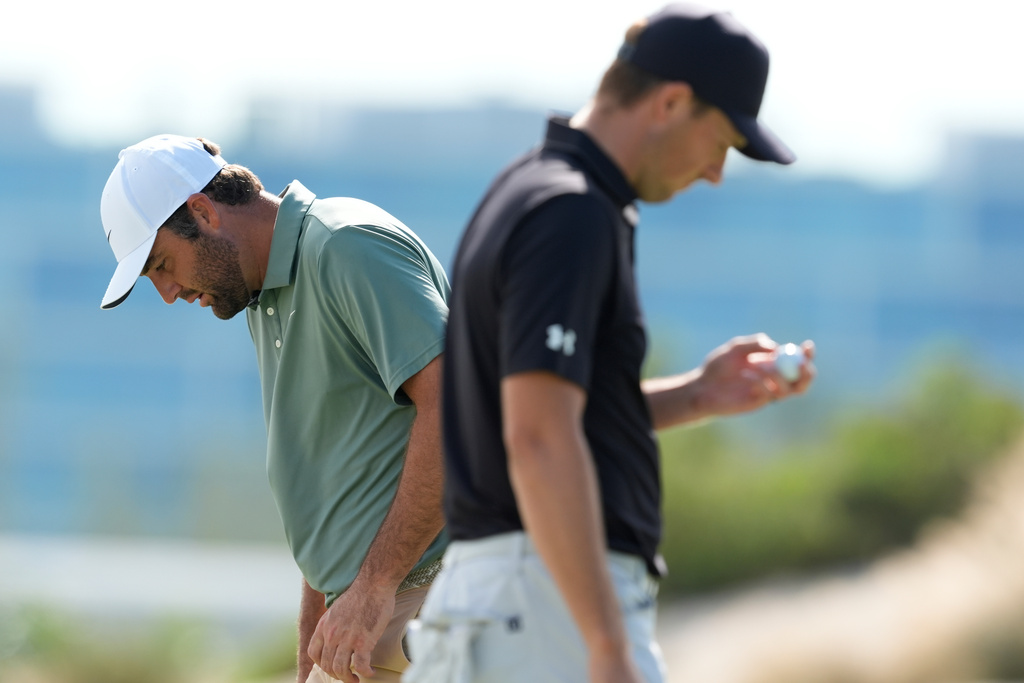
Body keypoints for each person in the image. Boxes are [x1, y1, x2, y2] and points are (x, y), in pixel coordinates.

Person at [403, 4, 815, 683]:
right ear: (672, 102)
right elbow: (537, 440)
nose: (716, 172)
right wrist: (605, 641)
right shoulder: (573, 212)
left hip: (507, 596)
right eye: (721, 142)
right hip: (543, 605)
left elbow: (543, 415)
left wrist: (698, 395)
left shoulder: (528, 187)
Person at [97, 135, 449, 683]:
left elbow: (459, 410)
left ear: (202, 211)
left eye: (163, 264)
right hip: (362, 620)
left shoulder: (345, 246)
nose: (168, 292)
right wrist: (314, 637)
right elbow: (330, 482)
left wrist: (373, 587)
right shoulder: (261, 293)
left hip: (436, 604)